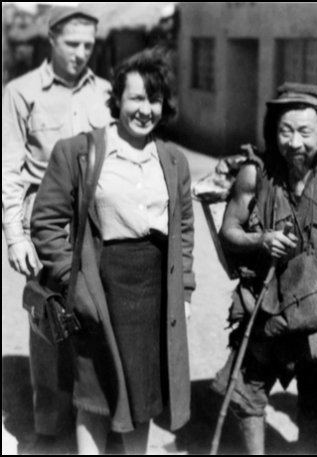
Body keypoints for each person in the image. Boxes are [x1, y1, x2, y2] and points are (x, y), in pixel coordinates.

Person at [30, 49, 195, 455]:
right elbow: (46, 223)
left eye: (154, 100)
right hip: (99, 287)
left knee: (143, 393)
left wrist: (185, 291)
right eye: (136, 98)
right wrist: (74, 284)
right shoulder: (79, 152)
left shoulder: (174, 160)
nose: (145, 109)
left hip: (154, 291)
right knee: (95, 391)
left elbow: (184, 231)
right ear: (117, 98)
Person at [212, 82, 317, 454]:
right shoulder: (255, 174)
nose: (294, 142)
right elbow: (228, 231)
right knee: (247, 395)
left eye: (305, 132)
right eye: (286, 131)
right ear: (273, 132)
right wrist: (260, 240)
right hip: (265, 306)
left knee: (314, 400)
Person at [1, 6, 112, 448]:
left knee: (98, 313)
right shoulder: (20, 92)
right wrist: (14, 235)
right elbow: (9, 169)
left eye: (89, 45)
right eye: (73, 43)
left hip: (99, 226)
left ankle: (98, 413)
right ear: (51, 39)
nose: (81, 53)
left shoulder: (106, 93)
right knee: (48, 320)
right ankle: (49, 423)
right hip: (46, 223)